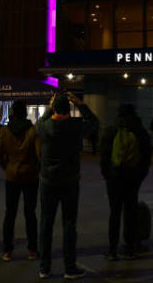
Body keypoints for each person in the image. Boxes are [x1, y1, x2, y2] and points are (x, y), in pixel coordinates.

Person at [35, 91, 99, 279]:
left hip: (47, 181)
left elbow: (41, 121)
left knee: (46, 223)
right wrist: (80, 103)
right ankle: (70, 267)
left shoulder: (44, 126)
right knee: (69, 224)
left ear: (54, 108)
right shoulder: (75, 126)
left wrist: (50, 107)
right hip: (70, 181)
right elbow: (94, 122)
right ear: (69, 109)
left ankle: (44, 267)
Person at [99, 103, 152, 260]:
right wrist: (140, 176)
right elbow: (146, 157)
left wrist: (108, 175)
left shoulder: (111, 130)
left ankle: (112, 250)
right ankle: (130, 248)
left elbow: (104, 157)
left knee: (114, 213)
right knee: (130, 211)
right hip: (133, 177)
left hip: (114, 178)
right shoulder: (140, 132)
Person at [0, 100, 40, 262]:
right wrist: (35, 168)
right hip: (30, 176)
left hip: (12, 176)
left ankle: (7, 251)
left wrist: (8, 167)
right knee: (30, 213)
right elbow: (39, 154)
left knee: (10, 213)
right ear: (25, 112)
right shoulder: (33, 130)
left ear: (13, 112)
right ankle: (32, 250)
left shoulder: (5, 131)